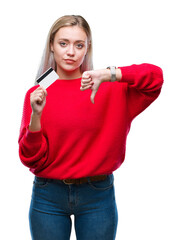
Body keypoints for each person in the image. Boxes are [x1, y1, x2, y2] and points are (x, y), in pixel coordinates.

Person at [18, 15, 164, 240]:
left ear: (88, 48)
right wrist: (36, 116)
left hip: (97, 195)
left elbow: (155, 78)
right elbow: (30, 158)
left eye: (79, 45)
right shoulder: (37, 94)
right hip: (48, 195)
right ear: (51, 45)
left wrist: (108, 74)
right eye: (63, 43)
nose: (70, 52)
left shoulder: (110, 89)